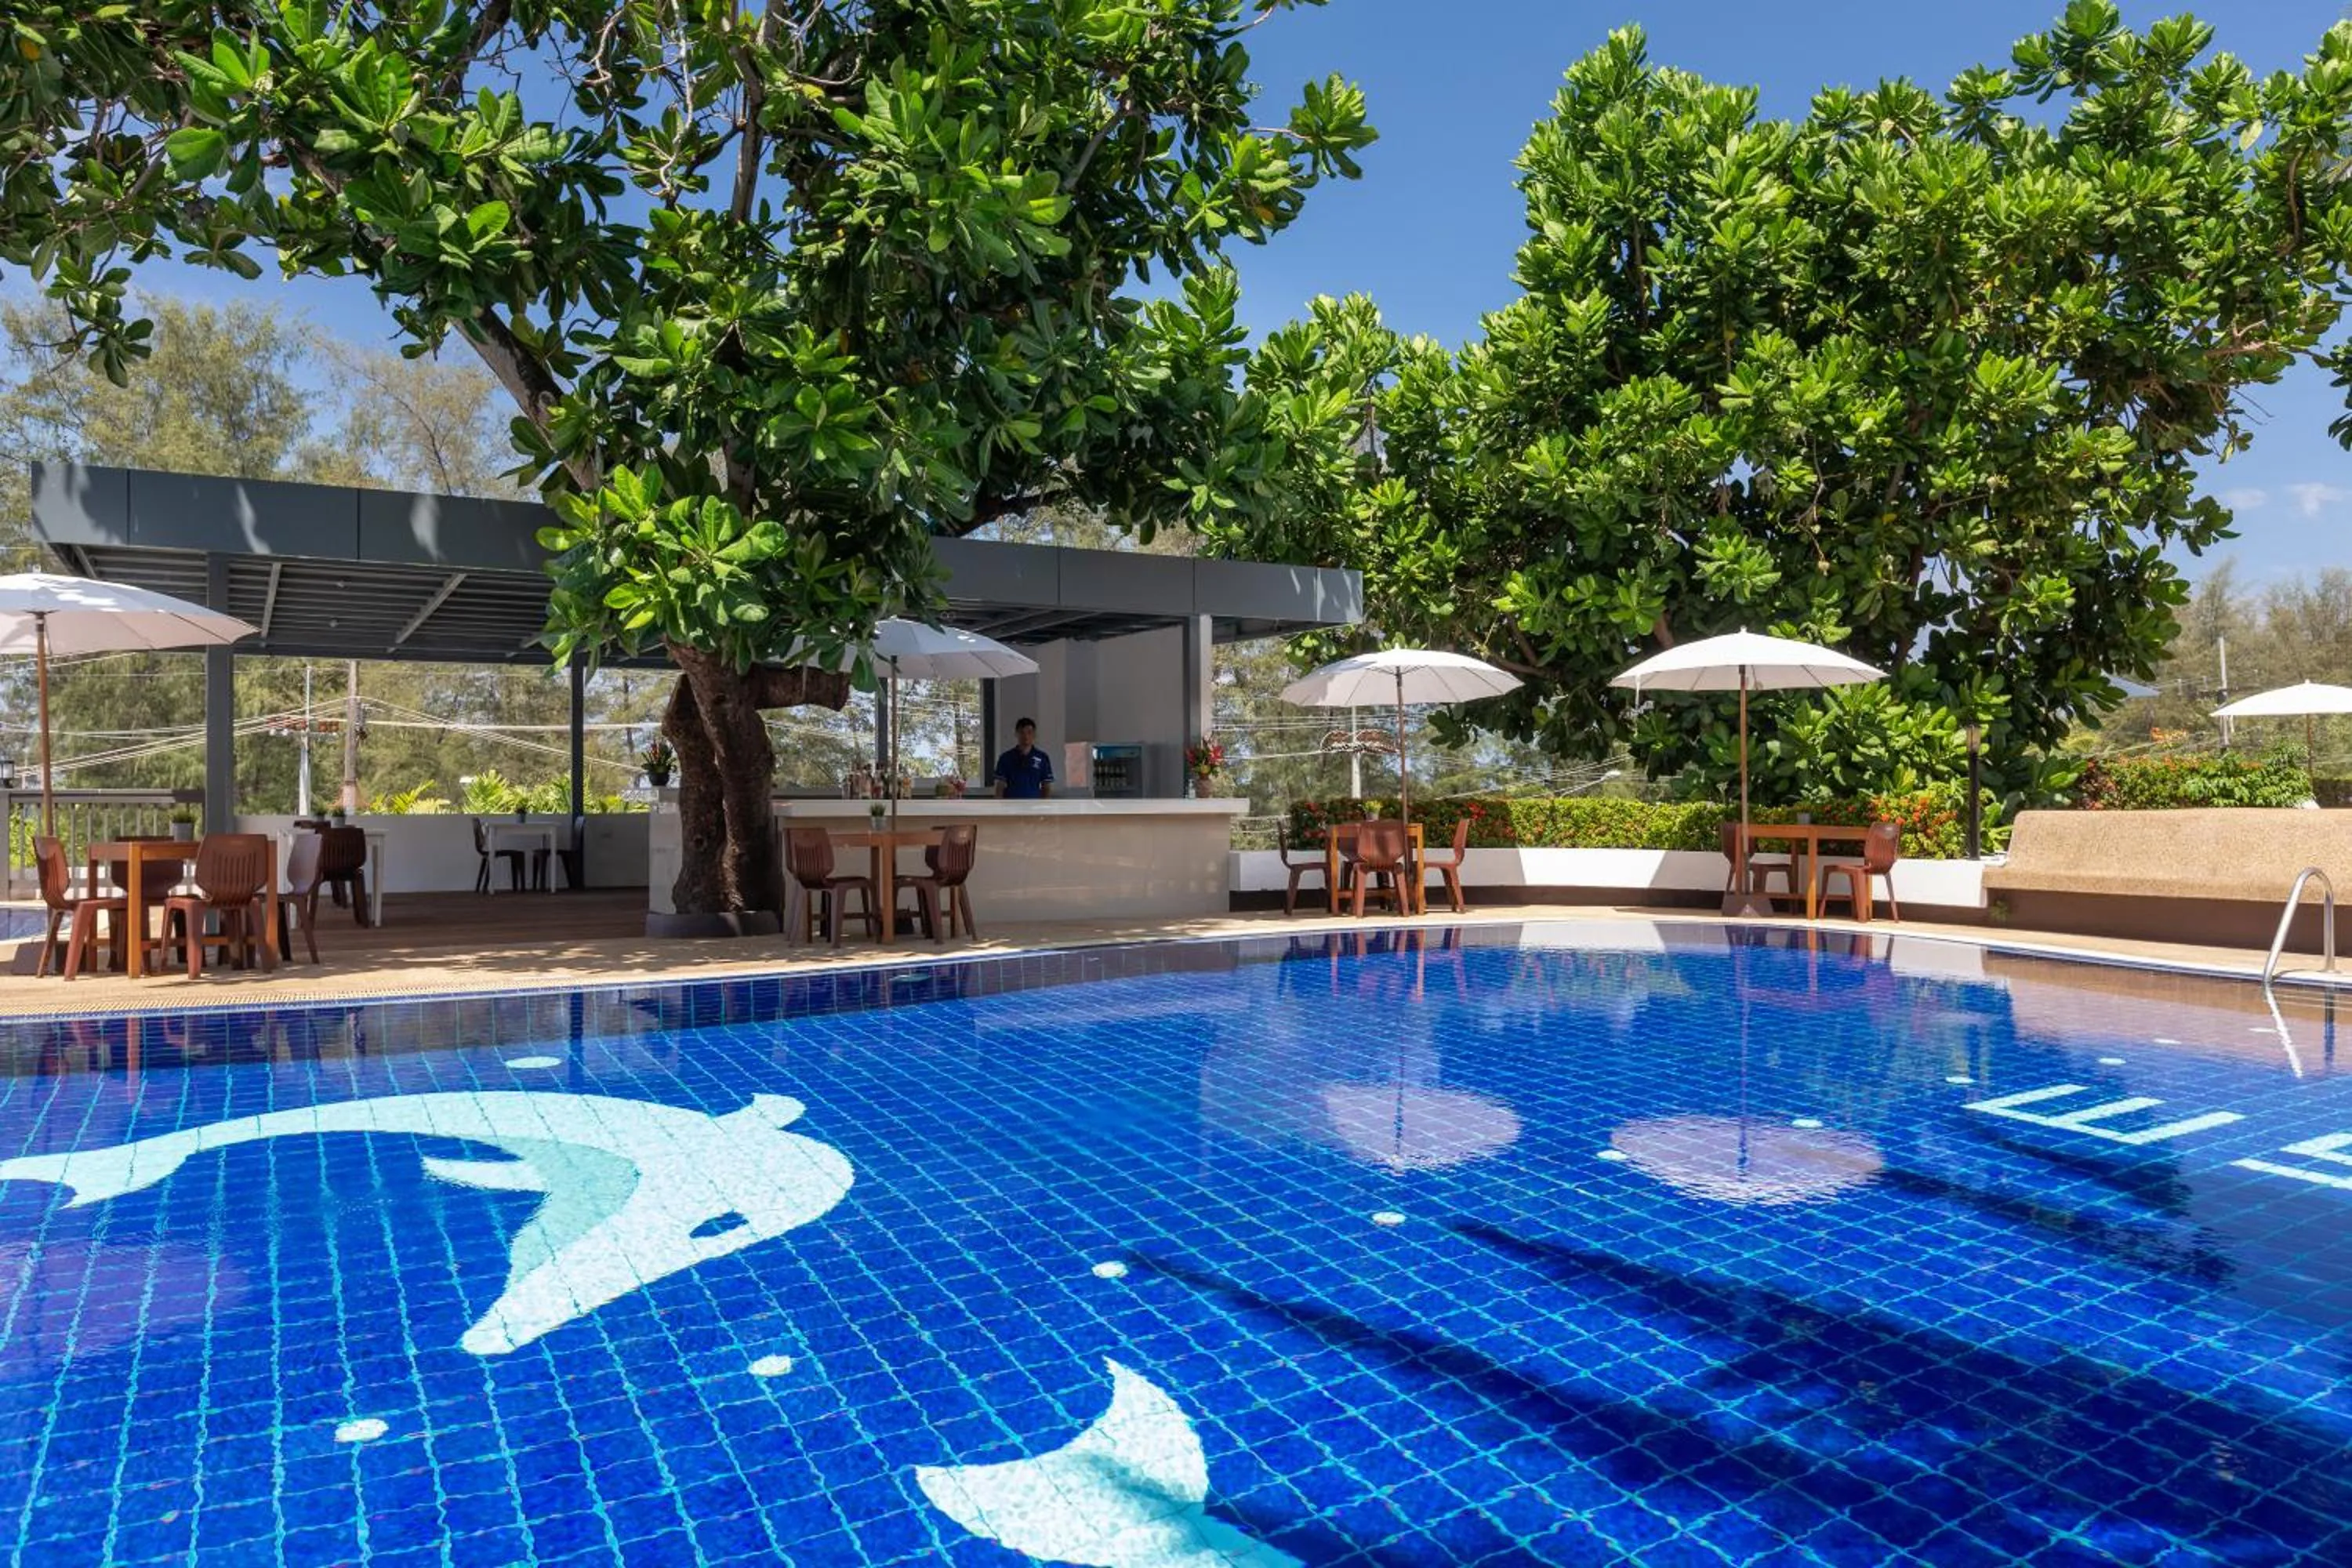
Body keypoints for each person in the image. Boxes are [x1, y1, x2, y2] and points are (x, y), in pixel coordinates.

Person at [993, 717, 1054, 800]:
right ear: (1016, 734)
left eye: (1029, 733)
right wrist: (997, 806)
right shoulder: (1006, 758)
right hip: (1011, 806)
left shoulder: (1042, 758)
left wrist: (1046, 806)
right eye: (1022, 733)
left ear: (1034, 735)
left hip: (1034, 805)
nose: (1026, 736)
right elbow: (1000, 785)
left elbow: (1046, 786)